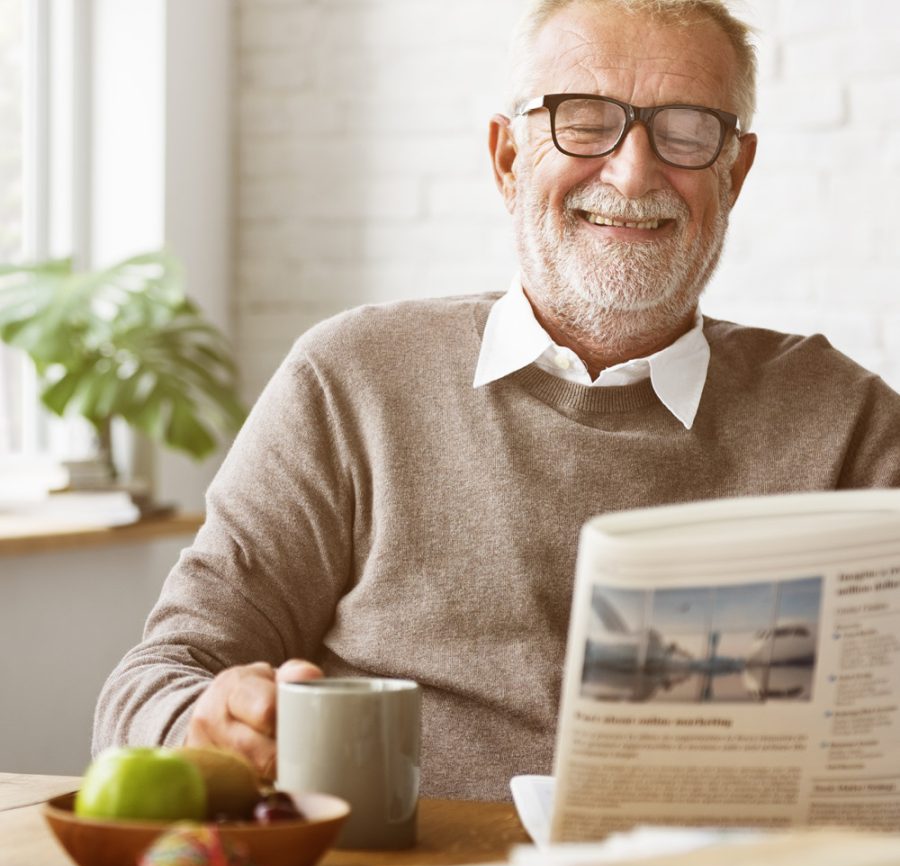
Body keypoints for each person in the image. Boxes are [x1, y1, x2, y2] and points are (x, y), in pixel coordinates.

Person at [93, 0, 900, 802]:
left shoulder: (849, 425)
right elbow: (154, 680)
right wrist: (203, 720)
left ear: (736, 170)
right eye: (584, 122)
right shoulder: (351, 381)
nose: (633, 171)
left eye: (687, 131)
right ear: (508, 157)